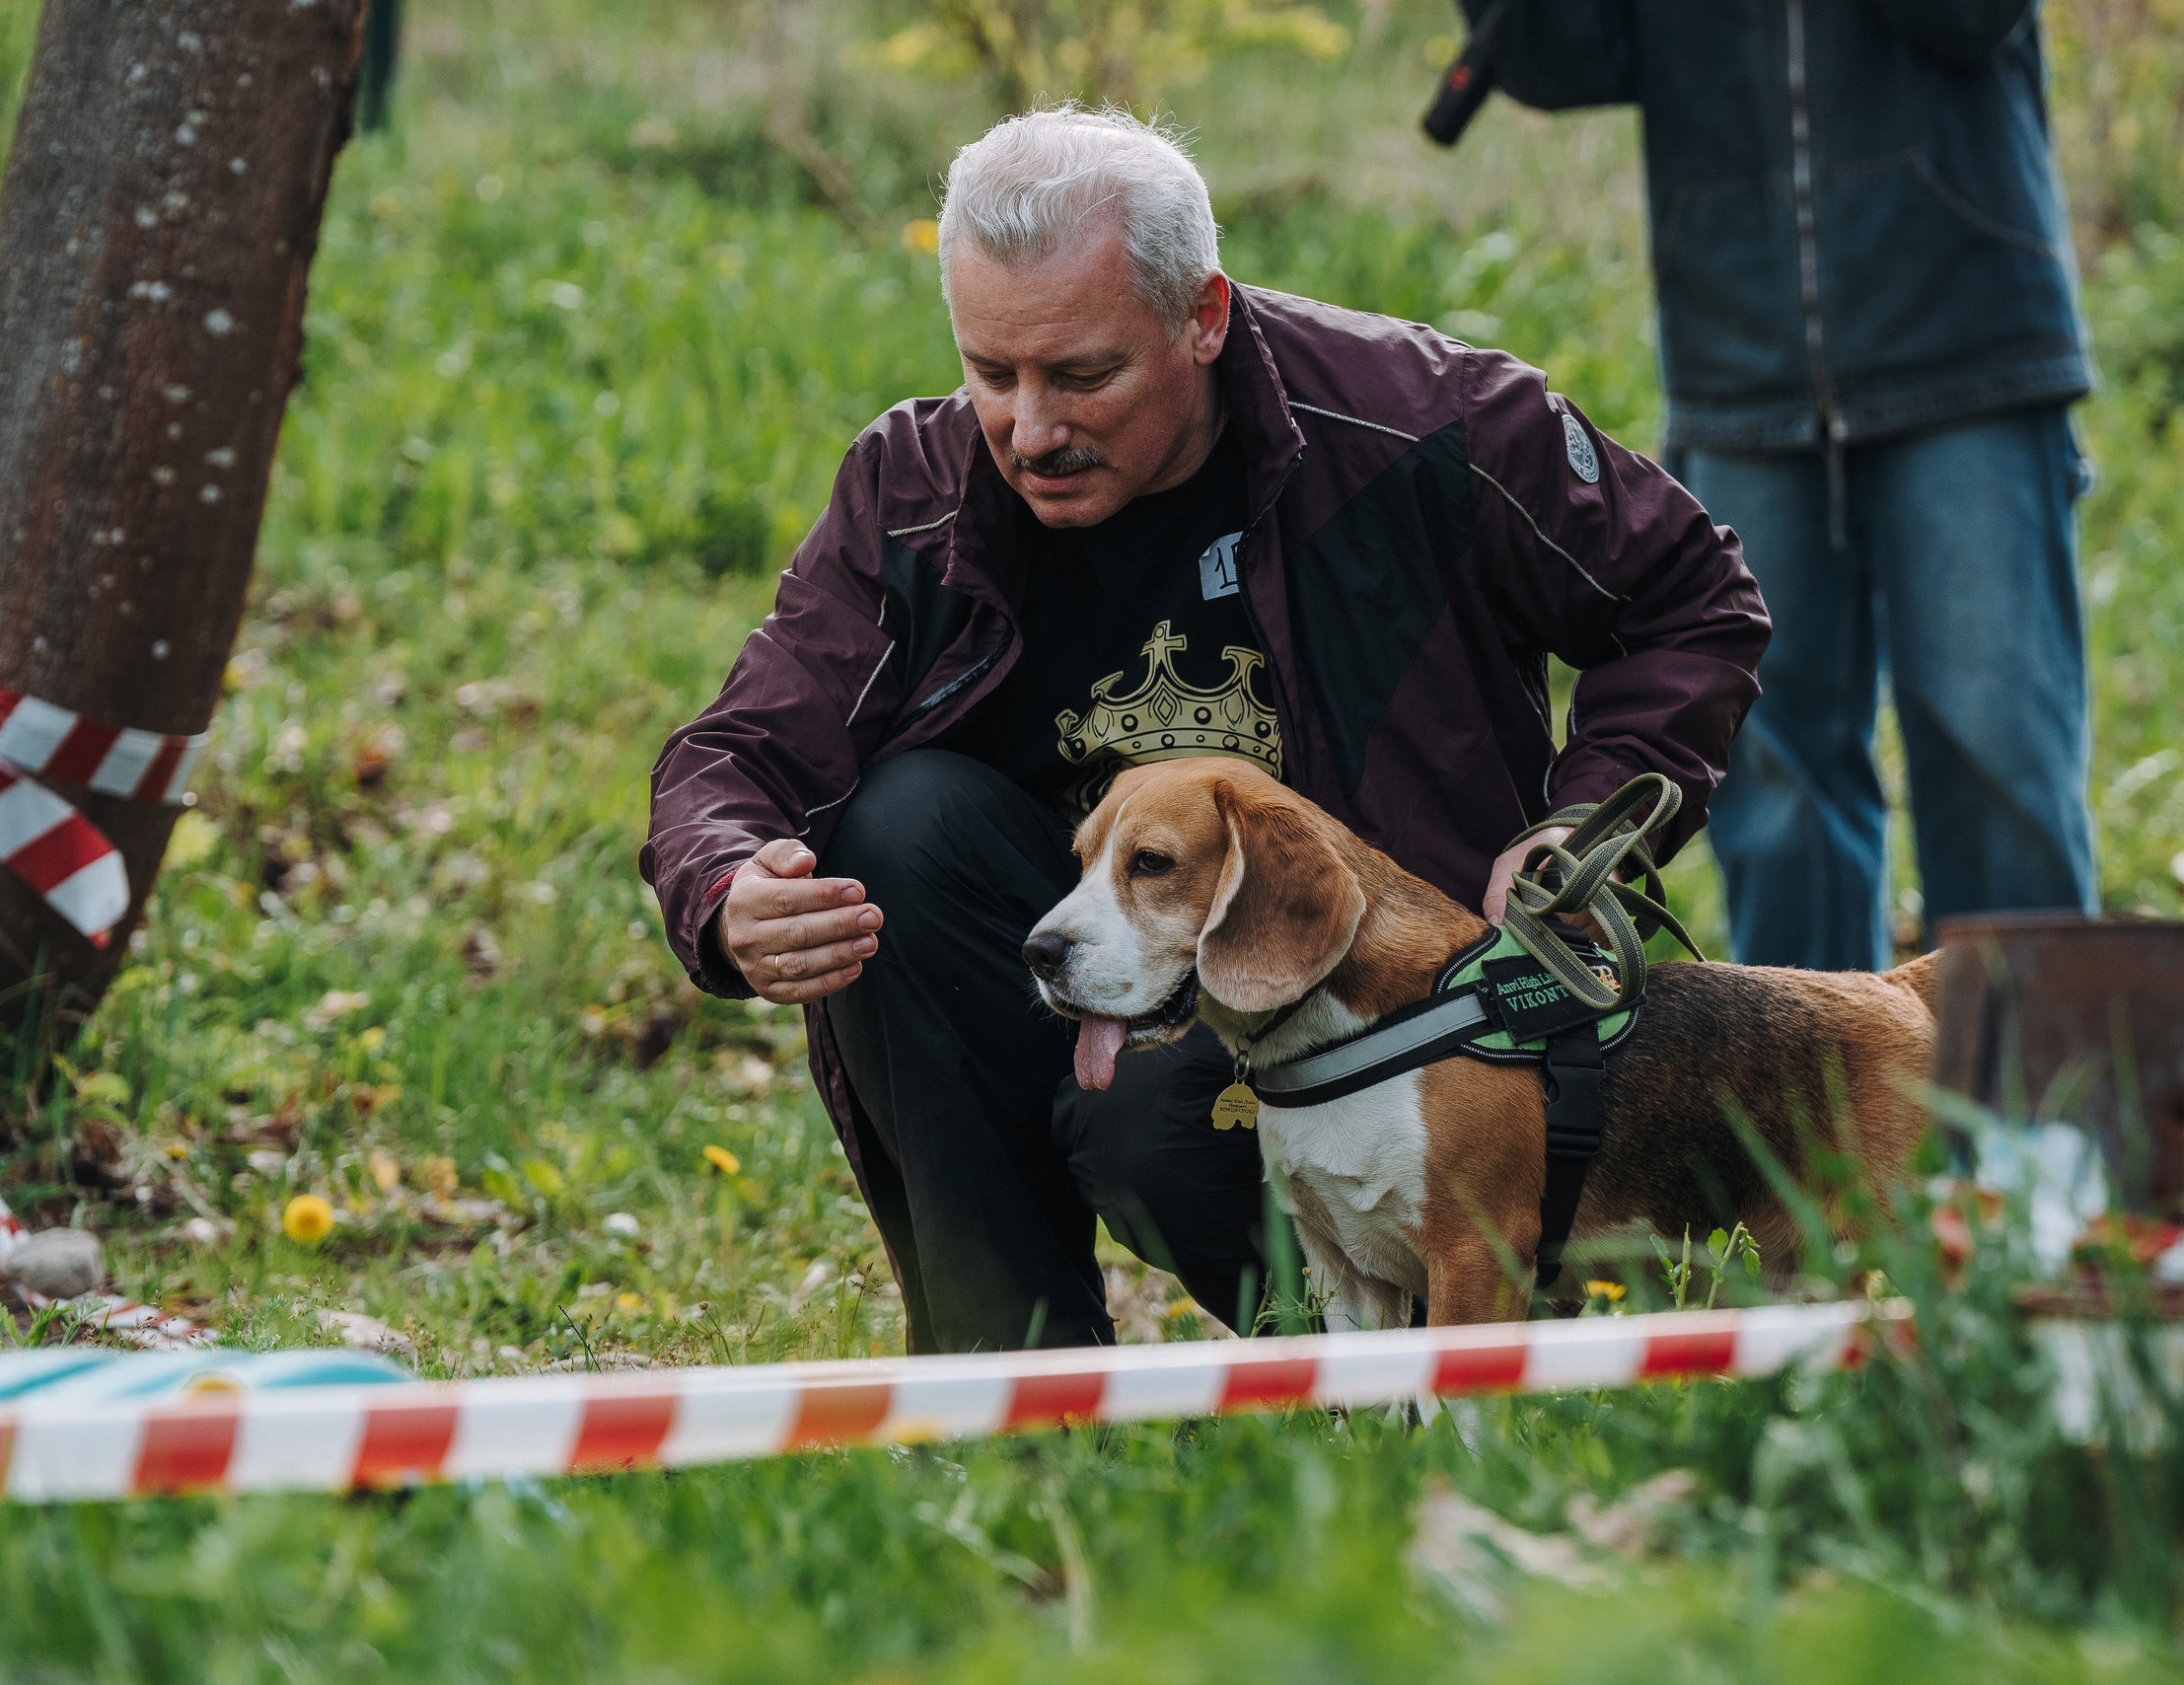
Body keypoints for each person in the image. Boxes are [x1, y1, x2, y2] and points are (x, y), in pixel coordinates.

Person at [640, 108, 1769, 1354]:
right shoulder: (910, 489)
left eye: (1082, 376)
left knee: (1149, 1125)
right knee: (898, 829)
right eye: (989, 372)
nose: (1029, 429)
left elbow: (1689, 602)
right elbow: (736, 752)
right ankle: (1008, 1381)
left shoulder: (1426, 428)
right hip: (1098, 944)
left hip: (1393, 1010)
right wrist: (729, 883)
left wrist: (1579, 829)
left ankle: (1378, 1353)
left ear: (1204, 316)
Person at [1468, 1, 2098, 970]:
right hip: (1736, 366)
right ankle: (1816, 1115)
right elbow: (1560, 56)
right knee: (1774, 782)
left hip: (1971, 347)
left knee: (1997, 755)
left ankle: (2025, 1114)